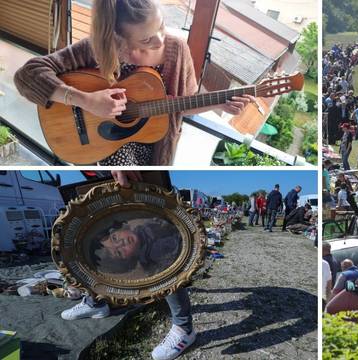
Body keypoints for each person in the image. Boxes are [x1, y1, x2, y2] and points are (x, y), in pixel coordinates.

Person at [14, 0, 253, 166]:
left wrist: (218, 104)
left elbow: (183, 103)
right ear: (119, 36)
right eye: (147, 38)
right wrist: (85, 100)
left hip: (157, 148)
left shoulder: (177, 50)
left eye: (160, 27)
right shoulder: (97, 48)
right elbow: (27, 75)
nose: (160, 40)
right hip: (110, 145)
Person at [60, 171, 195, 360]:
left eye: (115, 237)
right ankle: (96, 302)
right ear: (125, 261)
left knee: (169, 273)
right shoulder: (145, 258)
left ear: (121, 227)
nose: (120, 244)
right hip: (99, 175)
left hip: (137, 177)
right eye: (118, 252)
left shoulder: (152, 232)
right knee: (86, 256)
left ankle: (184, 327)